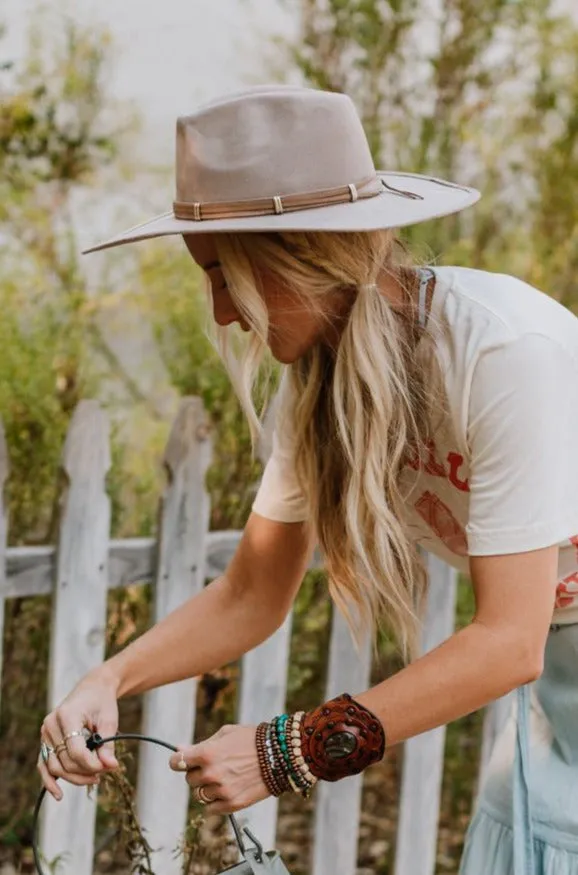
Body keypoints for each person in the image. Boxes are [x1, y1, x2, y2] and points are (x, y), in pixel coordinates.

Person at [37, 85, 578, 875]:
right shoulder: (324, 389)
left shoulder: (503, 354)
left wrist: (285, 751)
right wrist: (108, 676)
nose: (222, 312)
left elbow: (506, 641)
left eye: (228, 275)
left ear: (306, 257)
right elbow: (252, 593)